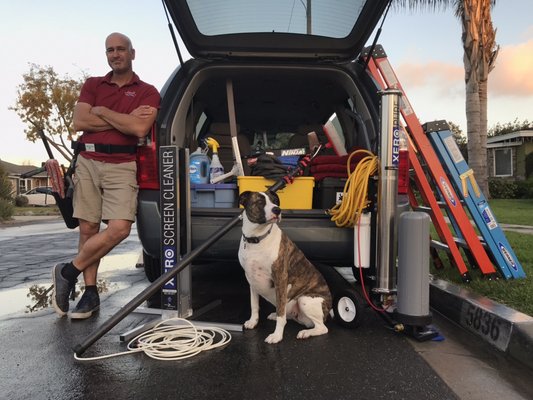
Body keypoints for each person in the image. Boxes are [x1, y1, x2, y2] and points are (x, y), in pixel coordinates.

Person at [52, 32, 160, 319]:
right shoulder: (93, 84)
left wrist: (101, 112)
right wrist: (122, 117)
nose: (115, 54)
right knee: (88, 230)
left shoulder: (148, 91)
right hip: (87, 160)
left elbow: (138, 130)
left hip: (123, 164)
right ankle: (90, 293)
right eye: (110, 50)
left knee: (120, 228)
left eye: (121, 49)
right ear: (106, 54)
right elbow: (79, 121)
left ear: (132, 53)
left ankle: (67, 271)